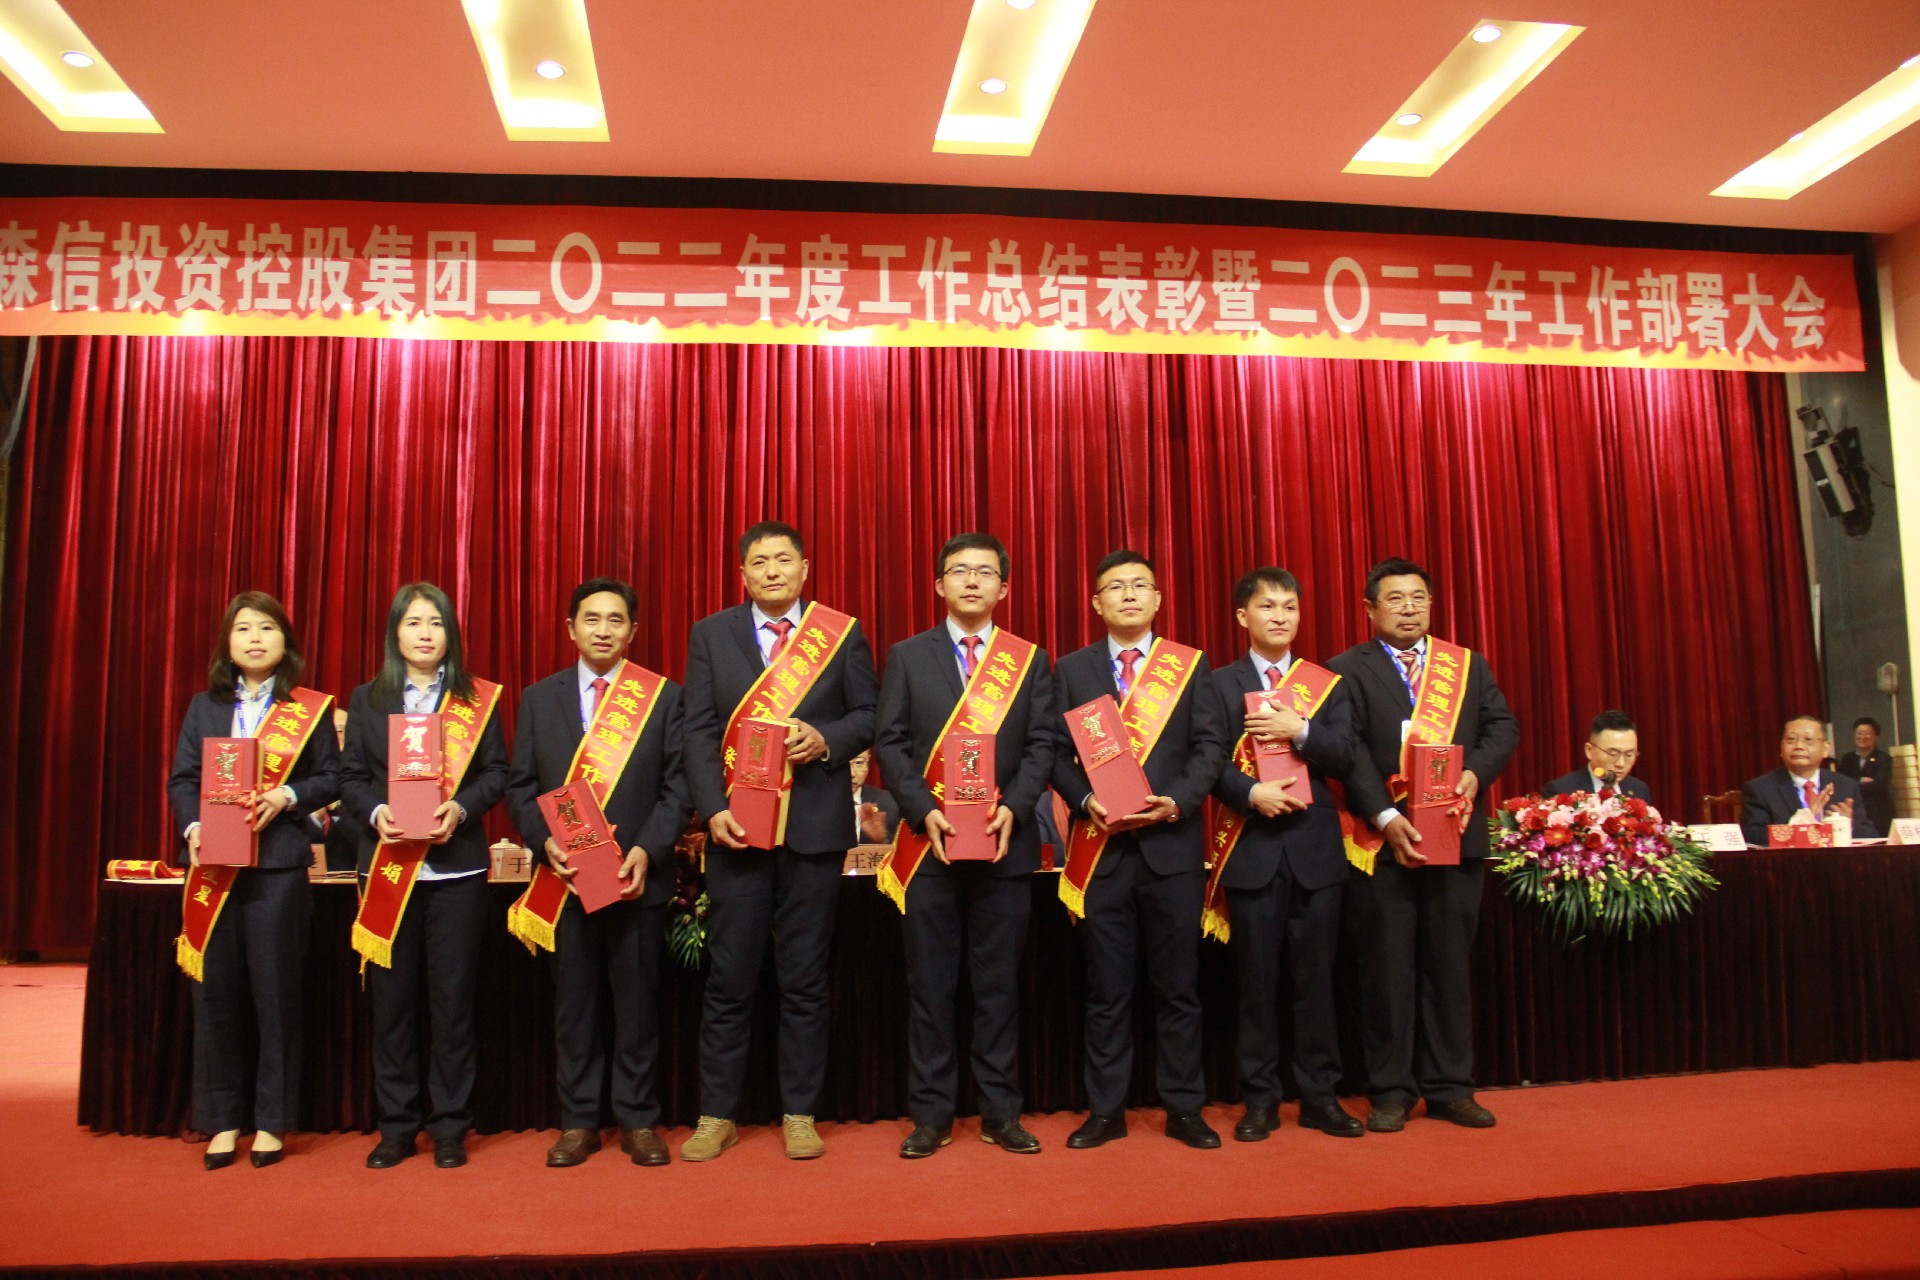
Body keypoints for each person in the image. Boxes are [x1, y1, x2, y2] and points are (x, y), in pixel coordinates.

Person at [679, 521, 879, 1161]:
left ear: (804, 568)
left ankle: (800, 1113)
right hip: (737, 830)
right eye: (759, 562)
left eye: (784, 559)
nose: (772, 571)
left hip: (814, 831)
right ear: (742, 574)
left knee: (804, 979)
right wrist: (712, 809)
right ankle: (716, 1116)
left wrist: (826, 740)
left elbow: (869, 714)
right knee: (729, 978)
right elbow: (696, 731)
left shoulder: (839, 633)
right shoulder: (712, 634)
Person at [873, 532, 1056, 1158]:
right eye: (959, 571)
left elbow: (1042, 745)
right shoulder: (907, 656)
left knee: (998, 987)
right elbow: (891, 743)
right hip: (931, 849)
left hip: (1005, 846)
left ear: (1004, 587)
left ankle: (1001, 1112)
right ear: (939, 585)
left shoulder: (1027, 660)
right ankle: (931, 1115)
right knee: (931, 988)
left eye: (984, 572)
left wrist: (1015, 807)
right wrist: (923, 810)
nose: (972, 581)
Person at [504, 578, 692, 1169]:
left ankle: (638, 1120)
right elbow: (520, 787)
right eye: (592, 619)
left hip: (636, 880)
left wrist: (649, 849)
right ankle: (579, 1121)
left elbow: (678, 788)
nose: (603, 630)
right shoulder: (540, 698)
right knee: (574, 1007)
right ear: (571, 628)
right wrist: (544, 845)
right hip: (565, 883)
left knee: (637, 1007)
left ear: (632, 630)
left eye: (616, 620)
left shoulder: (663, 698)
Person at [1329, 558, 1519, 1133]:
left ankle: (1450, 1088)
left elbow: (1502, 728)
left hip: (1455, 836)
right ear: (1370, 609)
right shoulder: (1345, 670)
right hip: (1381, 842)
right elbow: (1347, 753)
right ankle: (1390, 1091)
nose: (1409, 608)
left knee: (1449, 969)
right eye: (1395, 599)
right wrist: (1385, 816)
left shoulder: (1466, 665)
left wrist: (1475, 774)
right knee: (1386, 972)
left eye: (1418, 598)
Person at [1051, 550, 1230, 1150]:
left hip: (1172, 852)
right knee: (1107, 991)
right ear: (1096, 603)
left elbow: (1210, 747)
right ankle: (1106, 1111)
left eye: (1139, 585)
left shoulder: (1189, 665)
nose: (1128, 595)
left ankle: (1185, 1109)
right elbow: (1053, 753)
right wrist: (1084, 801)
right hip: (1103, 851)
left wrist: (1177, 802)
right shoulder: (1072, 669)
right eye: (1115, 587)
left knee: (1179, 989)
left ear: (1157, 598)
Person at [167, 591, 340, 1170]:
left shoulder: (307, 708)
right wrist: (192, 824)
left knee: (275, 995)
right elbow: (183, 779)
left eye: (267, 628)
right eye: (243, 629)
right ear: (228, 643)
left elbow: (332, 777)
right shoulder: (204, 707)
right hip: (214, 868)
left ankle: (271, 1120)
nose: (256, 638)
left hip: (279, 867)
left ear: (285, 642)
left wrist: (285, 795)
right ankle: (221, 1119)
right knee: (214, 996)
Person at [341, 582, 509, 1170]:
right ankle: (396, 1127)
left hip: (456, 871)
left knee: (452, 1003)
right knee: (392, 1005)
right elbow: (350, 778)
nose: (425, 633)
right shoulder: (368, 699)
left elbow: (497, 773)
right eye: (413, 622)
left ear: (450, 634)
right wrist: (375, 812)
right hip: (389, 869)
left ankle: (450, 1127)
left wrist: (460, 808)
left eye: (436, 623)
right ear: (396, 632)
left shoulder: (475, 698)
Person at [1205, 568, 1361, 1141]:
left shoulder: (1326, 684)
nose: (1280, 616)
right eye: (1268, 606)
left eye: (1289, 607)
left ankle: (1320, 1097)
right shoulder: (1217, 684)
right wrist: (1251, 793)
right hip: (1252, 849)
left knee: (1316, 983)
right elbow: (1207, 760)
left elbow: (1346, 755)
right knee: (1256, 984)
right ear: (1242, 616)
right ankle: (1260, 1100)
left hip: (1316, 853)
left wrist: (1301, 729)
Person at [1739, 715, 1878, 845]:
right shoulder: (1760, 789)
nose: (1799, 746)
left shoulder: (1846, 786)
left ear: (1826, 749)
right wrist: (1800, 824)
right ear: (1781, 748)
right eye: (1791, 739)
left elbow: (1872, 837)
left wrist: (1850, 825)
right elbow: (1751, 836)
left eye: (1808, 740)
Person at [1543, 710, 1652, 804]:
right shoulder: (1561, 790)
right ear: (1589, 750)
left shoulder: (1639, 789)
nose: (1621, 763)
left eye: (1629, 755)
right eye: (1613, 754)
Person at [1837, 717, 1896, 836]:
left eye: (1867, 733)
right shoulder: (1847, 759)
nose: (1862, 737)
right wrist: (1860, 781)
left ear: (1876, 737)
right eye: (1859, 733)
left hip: (1879, 814)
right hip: (1855, 814)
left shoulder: (1884, 758)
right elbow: (1841, 784)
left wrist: (1853, 784)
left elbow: (1880, 786)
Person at [848, 749, 900, 843]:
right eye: (843, 765)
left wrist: (880, 840)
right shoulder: (818, 803)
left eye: (859, 763)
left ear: (868, 763)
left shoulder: (887, 802)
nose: (852, 773)